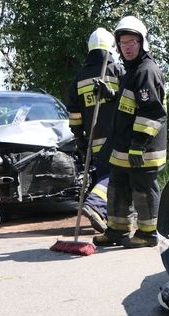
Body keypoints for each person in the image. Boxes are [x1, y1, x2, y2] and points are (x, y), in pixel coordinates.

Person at [92, 16, 167, 248]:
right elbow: (129, 106)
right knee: (117, 188)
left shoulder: (146, 71)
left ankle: (148, 234)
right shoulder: (131, 71)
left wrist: (138, 145)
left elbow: (152, 112)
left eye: (132, 42)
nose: (127, 47)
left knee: (142, 191)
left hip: (141, 149)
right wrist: (110, 96)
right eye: (123, 43)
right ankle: (117, 230)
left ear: (142, 43)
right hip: (124, 147)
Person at [66, 27, 125, 233]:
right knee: (116, 176)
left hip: (94, 140)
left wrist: (79, 138)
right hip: (117, 137)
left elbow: (74, 112)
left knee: (103, 176)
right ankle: (95, 205)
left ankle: (103, 214)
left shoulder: (80, 77)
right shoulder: (118, 71)